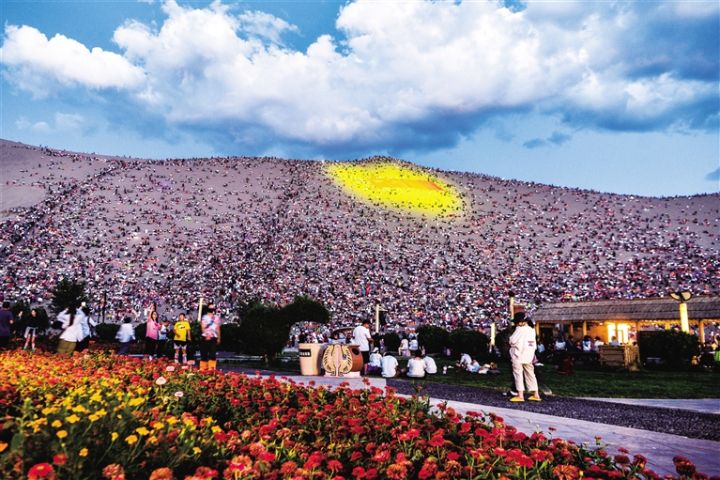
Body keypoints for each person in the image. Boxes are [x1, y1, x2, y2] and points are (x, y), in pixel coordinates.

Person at [509, 312, 541, 402]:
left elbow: (512, 340)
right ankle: (536, 394)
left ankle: (520, 395)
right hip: (529, 354)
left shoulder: (520, 329)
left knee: (518, 374)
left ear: (521, 322)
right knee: (531, 374)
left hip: (518, 354)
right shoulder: (531, 329)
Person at [199, 303, 221, 371]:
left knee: (212, 354)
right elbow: (203, 327)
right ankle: (203, 368)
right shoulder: (204, 317)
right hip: (205, 337)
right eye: (210, 308)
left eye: (213, 308)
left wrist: (219, 337)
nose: (212, 309)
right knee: (204, 353)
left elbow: (217, 328)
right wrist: (206, 335)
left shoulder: (216, 317)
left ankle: (211, 369)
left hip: (213, 337)